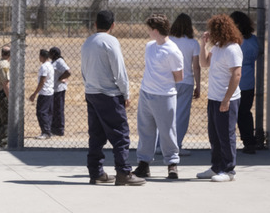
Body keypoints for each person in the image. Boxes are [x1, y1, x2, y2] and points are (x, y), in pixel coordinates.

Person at [81, 10, 145, 186]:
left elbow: (84, 70)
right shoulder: (111, 42)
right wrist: (126, 93)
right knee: (120, 134)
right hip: (109, 94)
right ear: (113, 25)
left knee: (96, 135)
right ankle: (123, 173)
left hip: (91, 93)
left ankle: (96, 173)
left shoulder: (88, 42)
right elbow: (119, 71)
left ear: (95, 24)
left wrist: (90, 87)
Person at [132, 15, 184, 180]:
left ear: (155, 30)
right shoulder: (149, 46)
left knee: (167, 131)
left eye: (149, 29)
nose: (148, 32)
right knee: (145, 130)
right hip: (146, 93)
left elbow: (179, 76)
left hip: (164, 96)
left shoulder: (173, 50)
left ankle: (172, 164)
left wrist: (162, 82)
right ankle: (144, 164)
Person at [197, 14, 242, 182]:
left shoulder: (232, 49)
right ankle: (216, 167)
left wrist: (226, 99)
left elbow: (237, 75)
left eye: (213, 30)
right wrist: (203, 44)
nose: (210, 33)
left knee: (226, 135)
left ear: (220, 31)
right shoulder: (217, 47)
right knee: (214, 135)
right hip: (214, 98)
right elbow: (204, 63)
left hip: (226, 99)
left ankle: (229, 170)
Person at [168, 13, 201, 156]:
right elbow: (196, 66)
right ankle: (176, 145)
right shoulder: (193, 43)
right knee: (181, 115)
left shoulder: (168, 40)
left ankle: (160, 144)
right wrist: (198, 85)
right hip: (186, 81)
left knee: (165, 114)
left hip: (168, 81)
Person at [229, 11, 259, 154]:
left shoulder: (234, 42)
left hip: (233, 82)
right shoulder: (253, 40)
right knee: (245, 113)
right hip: (248, 81)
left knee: (228, 114)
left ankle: (228, 144)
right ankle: (249, 142)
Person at [28, 49, 54, 139]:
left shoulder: (44, 67)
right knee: (48, 112)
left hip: (44, 92)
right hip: (50, 92)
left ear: (42, 56)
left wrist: (34, 93)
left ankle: (45, 132)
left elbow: (42, 81)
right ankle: (48, 130)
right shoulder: (50, 65)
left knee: (41, 112)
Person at [48, 46, 70, 136]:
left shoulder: (59, 61)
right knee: (53, 109)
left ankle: (59, 129)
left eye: (50, 52)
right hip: (53, 89)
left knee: (59, 109)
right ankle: (53, 128)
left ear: (53, 54)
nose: (49, 54)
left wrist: (61, 78)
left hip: (59, 89)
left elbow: (68, 72)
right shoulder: (53, 62)